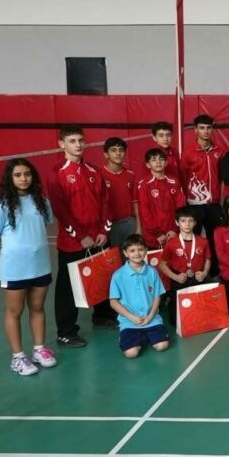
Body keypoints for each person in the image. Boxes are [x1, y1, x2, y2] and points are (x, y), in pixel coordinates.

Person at [0, 158, 58, 376]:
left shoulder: (42, 202)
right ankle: (17, 357)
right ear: (10, 178)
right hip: (14, 270)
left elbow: (42, 226)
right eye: (17, 175)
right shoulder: (0, 207)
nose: (23, 178)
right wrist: (0, 267)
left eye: (27, 174)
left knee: (37, 307)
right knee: (14, 311)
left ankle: (39, 350)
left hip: (40, 266)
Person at [47, 124, 111, 348]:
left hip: (98, 239)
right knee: (68, 287)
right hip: (73, 242)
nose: (78, 145)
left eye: (81, 140)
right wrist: (81, 235)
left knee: (101, 278)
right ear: (61, 144)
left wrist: (104, 231)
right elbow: (60, 209)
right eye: (72, 141)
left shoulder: (94, 170)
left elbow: (105, 202)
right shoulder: (57, 172)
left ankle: (102, 316)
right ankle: (66, 332)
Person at [96, 136, 139, 327]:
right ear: (106, 154)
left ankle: (130, 304)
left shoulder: (130, 174)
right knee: (111, 268)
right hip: (109, 227)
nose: (118, 153)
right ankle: (107, 310)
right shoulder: (99, 175)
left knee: (131, 264)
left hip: (128, 223)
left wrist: (138, 225)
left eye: (121, 150)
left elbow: (135, 202)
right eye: (114, 150)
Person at [109, 235, 169, 358]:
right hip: (129, 321)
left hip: (151, 319)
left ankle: (145, 335)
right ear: (125, 253)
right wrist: (132, 317)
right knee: (131, 354)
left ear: (146, 250)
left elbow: (157, 296)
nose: (137, 253)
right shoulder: (118, 275)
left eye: (140, 249)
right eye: (132, 251)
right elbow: (113, 302)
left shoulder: (152, 271)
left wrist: (150, 316)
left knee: (162, 346)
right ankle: (131, 337)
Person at [156, 207, 211, 325]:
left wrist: (205, 273)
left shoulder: (203, 241)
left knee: (201, 318)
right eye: (183, 221)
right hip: (179, 280)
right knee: (176, 322)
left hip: (198, 279)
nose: (187, 224)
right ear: (177, 222)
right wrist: (175, 277)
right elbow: (162, 264)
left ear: (195, 223)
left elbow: (207, 259)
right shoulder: (171, 244)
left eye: (190, 221)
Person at [181, 115, 224, 250]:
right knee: (194, 240)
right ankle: (194, 263)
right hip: (195, 204)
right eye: (202, 128)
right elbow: (183, 178)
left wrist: (221, 200)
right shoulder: (188, 152)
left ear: (212, 129)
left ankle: (215, 264)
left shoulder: (220, 150)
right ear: (195, 130)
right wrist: (187, 201)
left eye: (208, 128)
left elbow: (223, 178)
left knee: (216, 240)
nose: (205, 131)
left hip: (214, 203)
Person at [137, 148, 185, 249]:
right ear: (148, 165)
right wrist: (157, 233)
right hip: (154, 237)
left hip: (173, 233)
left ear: (166, 163)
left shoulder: (174, 181)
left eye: (161, 159)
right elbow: (144, 213)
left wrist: (175, 229)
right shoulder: (144, 185)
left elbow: (181, 207)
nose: (158, 162)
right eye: (154, 160)